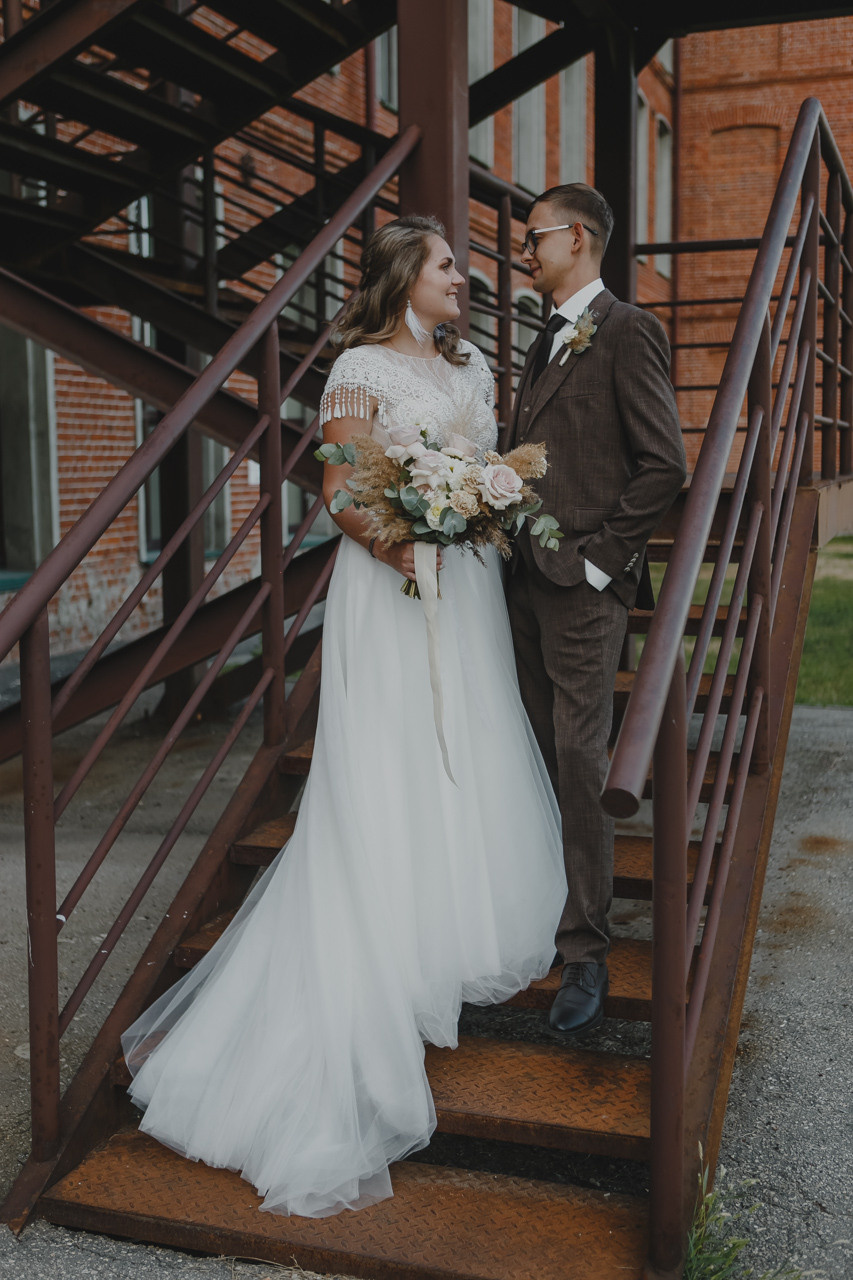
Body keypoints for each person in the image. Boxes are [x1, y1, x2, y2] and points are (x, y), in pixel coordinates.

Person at [121, 215, 566, 1219]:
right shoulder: (359, 370)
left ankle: (456, 914)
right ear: (406, 273)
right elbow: (338, 491)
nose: (464, 277)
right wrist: (405, 544)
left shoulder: (472, 371)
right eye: (449, 264)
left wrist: (473, 510)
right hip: (394, 587)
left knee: (469, 747)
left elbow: (481, 475)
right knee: (390, 757)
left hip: (467, 589)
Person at [504, 183, 686, 1037]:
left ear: (575, 238)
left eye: (532, 237)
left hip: (578, 592)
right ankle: (534, 913)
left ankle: (586, 951)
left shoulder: (625, 330)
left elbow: (662, 466)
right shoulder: (539, 341)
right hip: (517, 582)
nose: (521, 250)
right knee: (533, 755)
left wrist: (596, 566)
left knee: (581, 763)